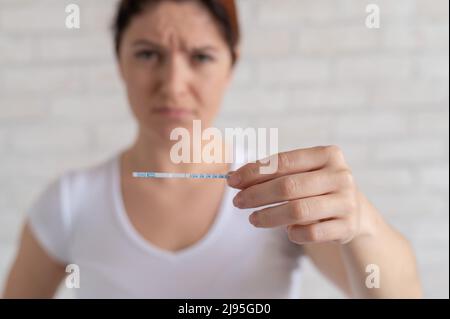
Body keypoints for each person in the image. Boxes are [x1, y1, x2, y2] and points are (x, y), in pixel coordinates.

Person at [3, 0, 422, 298]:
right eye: (148, 54)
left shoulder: (278, 193)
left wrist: (361, 221)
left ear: (231, 65)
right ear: (120, 63)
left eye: (201, 56)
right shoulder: (70, 203)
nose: (172, 84)